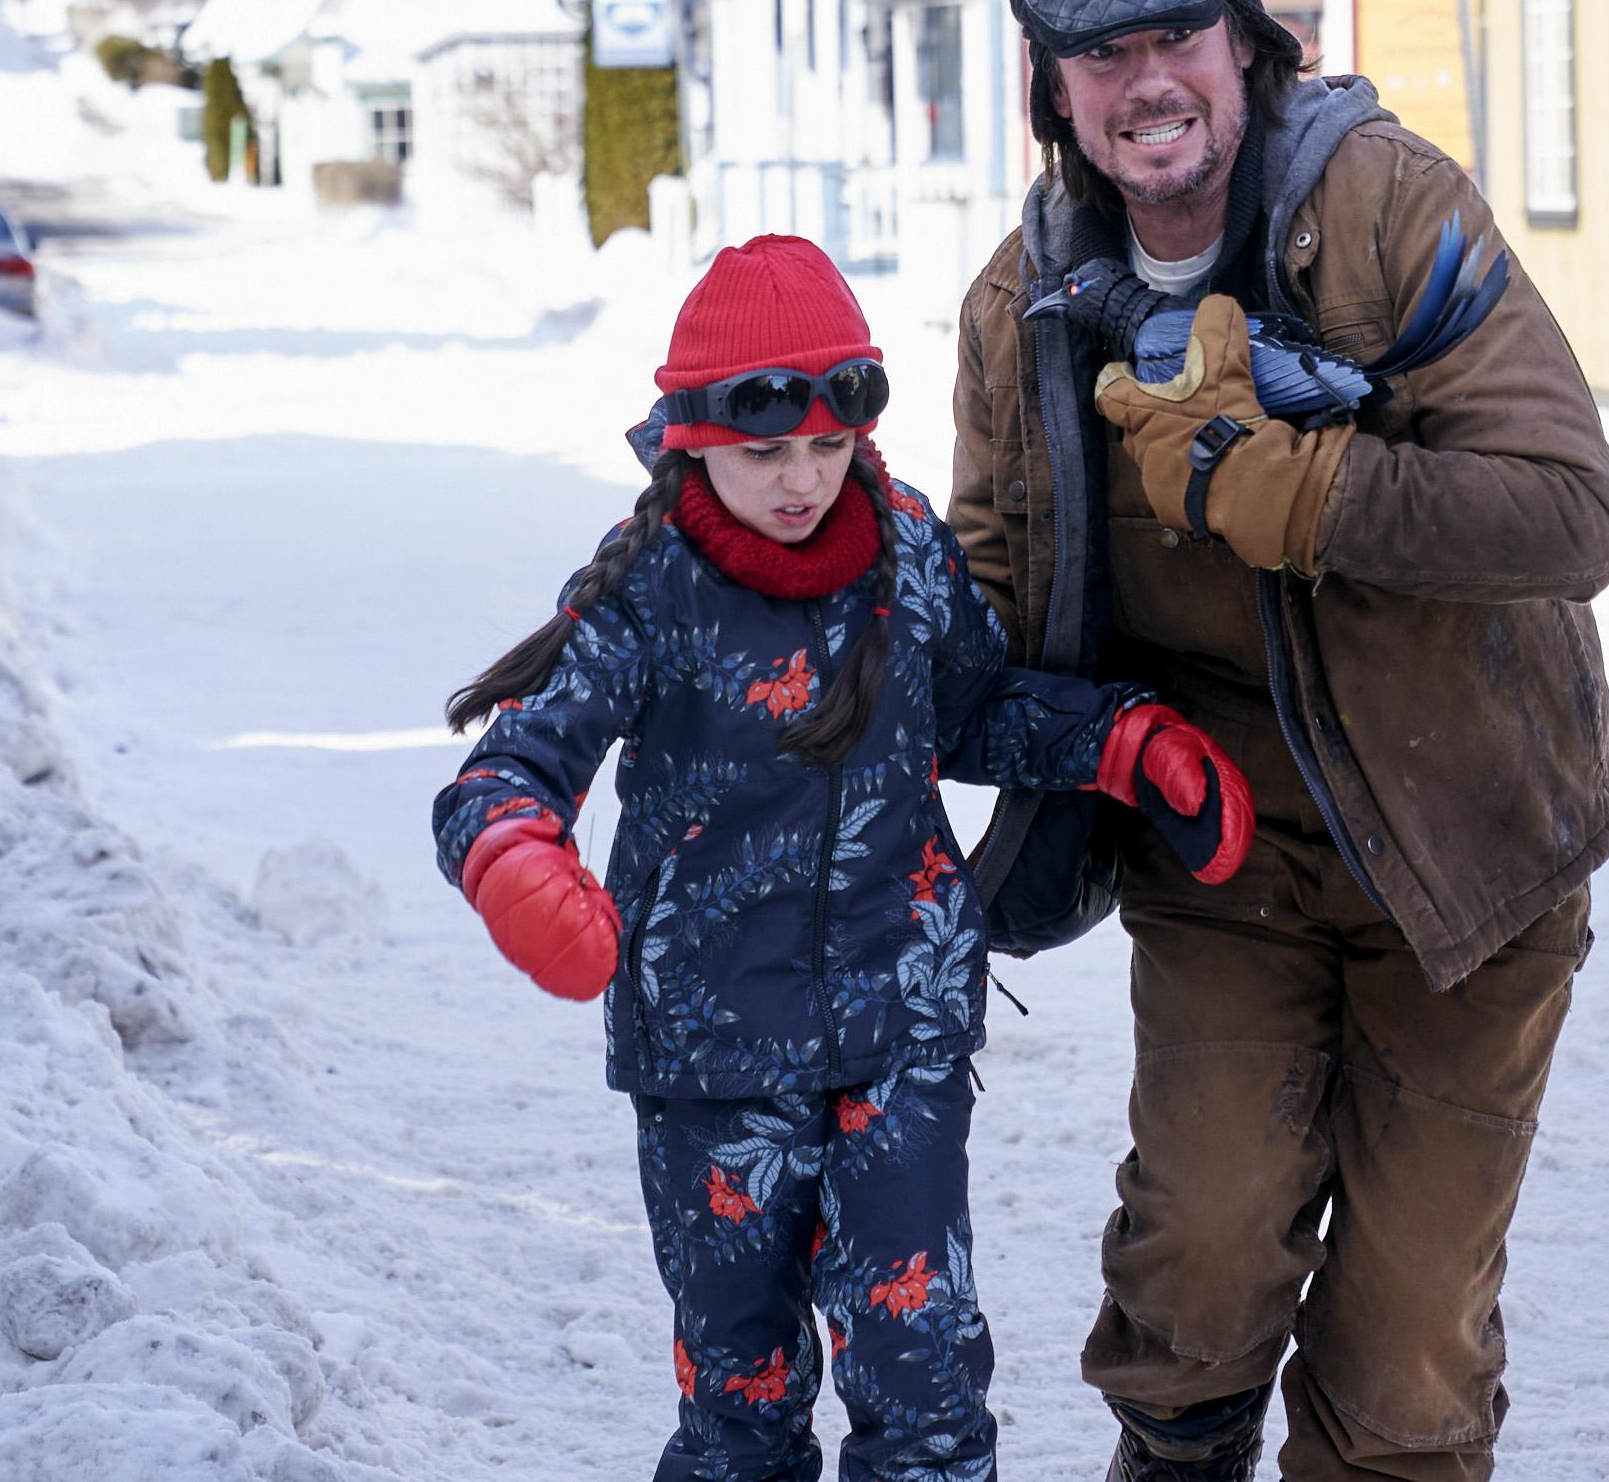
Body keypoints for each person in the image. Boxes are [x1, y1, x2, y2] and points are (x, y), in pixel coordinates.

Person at [948, 0, 1609, 1481]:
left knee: (1403, 1373)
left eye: (1175, 35)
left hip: (1468, 859)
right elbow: (983, 585)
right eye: (1095, 55)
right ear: (1049, 86)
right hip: (1221, 860)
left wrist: (1298, 491)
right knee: (1194, 1271)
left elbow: (1570, 512)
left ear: (1244, 45)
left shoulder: (1390, 211)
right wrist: (798, 596)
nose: (1145, 86)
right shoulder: (1024, 305)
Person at [430, 233, 1256, 1482]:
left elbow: (974, 709)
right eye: (766, 449)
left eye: (828, 445)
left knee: (925, 1390)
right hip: (712, 1058)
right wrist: (509, 853)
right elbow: (511, 762)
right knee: (743, 1398)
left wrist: (1122, 741)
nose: (804, 480)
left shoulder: (905, 542)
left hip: (899, 1030)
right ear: (692, 431)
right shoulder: (653, 577)